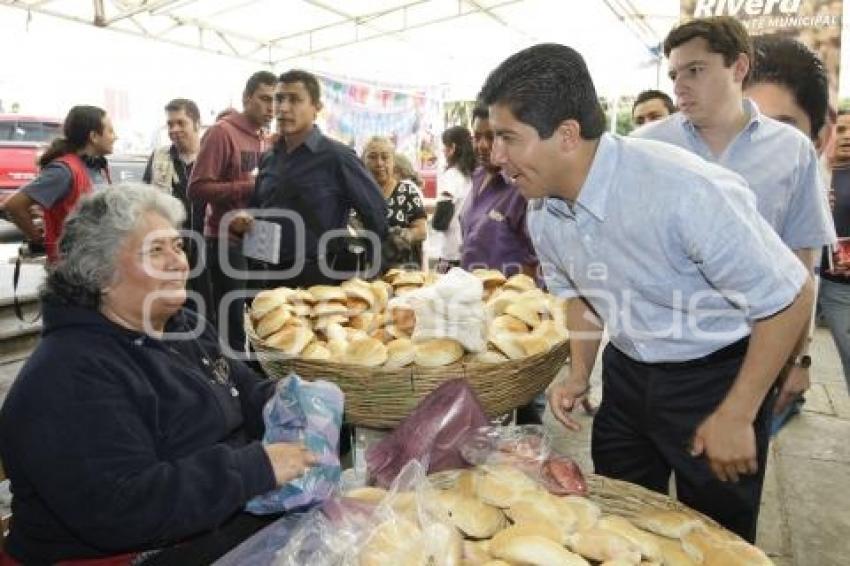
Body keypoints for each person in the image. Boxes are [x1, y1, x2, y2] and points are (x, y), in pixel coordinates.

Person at [479, 42, 814, 542]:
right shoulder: (543, 209)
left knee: (716, 535)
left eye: (508, 137)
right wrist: (579, 372)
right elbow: (582, 294)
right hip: (628, 376)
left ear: (567, 135)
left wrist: (739, 412)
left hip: (716, 377)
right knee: (618, 521)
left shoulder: (683, 190)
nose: (495, 155)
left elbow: (792, 297)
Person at [0, 184, 318, 564]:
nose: (179, 262)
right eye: (156, 251)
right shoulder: (69, 374)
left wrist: (286, 398)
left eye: (178, 247)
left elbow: (240, 390)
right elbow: (124, 509)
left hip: (218, 530)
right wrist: (256, 467)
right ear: (101, 273)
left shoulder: (182, 326)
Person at [634, 17, 835, 429]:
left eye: (695, 70)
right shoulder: (644, 148)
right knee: (628, 493)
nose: (679, 86)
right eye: (674, 74)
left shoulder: (791, 150)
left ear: (739, 68)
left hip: (745, 358)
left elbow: (802, 264)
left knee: (720, 489)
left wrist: (797, 358)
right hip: (643, 361)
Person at [745, 36, 836, 427]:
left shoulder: (803, 195)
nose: (763, 144)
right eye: (749, 122)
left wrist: (798, 361)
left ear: (817, 140)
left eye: (782, 128)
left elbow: (805, 277)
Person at [248, 69, 387, 288]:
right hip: (273, 283)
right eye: (279, 99)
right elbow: (260, 214)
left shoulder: (338, 157)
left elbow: (376, 213)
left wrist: (369, 273)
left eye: (294, 100)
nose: (283, 108)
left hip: (321, 282)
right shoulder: (269, 159)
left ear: (316, 108)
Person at [188, 71, 275, 355]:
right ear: (246, 98)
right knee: (232, 319)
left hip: (262, 234)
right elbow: (197, 188)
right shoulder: (222, 132)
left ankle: (257, 378)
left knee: (262, 313)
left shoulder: (268, 138)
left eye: (276, 101)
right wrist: (247, 187)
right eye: (264, 99)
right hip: (227, 236)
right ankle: (233, 385)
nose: (271, 108)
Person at [4, 105, 115, 263]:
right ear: (94, 136)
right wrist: (37, 240)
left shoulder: (99, 167)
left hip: (96, 262)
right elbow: (14, 205)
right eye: (110, 131)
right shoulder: (63, 171)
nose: (115, 136)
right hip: (71, 268)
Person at [459, 105, 536, 277]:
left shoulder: (524, 188)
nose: (482, 145)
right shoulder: (477, 177)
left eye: (490, 137)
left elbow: (537, 262)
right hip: (468, 294)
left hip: (505, 298)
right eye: (476, 137)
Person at [143, 98, 205, 308]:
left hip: (208, 249)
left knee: (207, 310)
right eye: (170, 124)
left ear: (197, 123)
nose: (174, 129)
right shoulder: (159, 157)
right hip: (172, 249)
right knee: (173, 307)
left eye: (181, 123)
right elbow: (146, 199)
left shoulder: (212, 155)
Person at [363, 136, 427, 270]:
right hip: (365, 271)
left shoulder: (407, 191)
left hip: (402, 272)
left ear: (393, 162)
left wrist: (406, 235)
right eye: (372, 157)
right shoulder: (357, 192)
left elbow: (421, 231)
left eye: (385, 157)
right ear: (363, 161)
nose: (379, 163)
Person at [430, 125, 475, 273]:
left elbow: (439, 222)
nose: (443, 151)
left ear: (452, 148)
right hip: (470, 250)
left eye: (444, 146)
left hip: (451, 253)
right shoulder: (475, 175)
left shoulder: (451, 176)